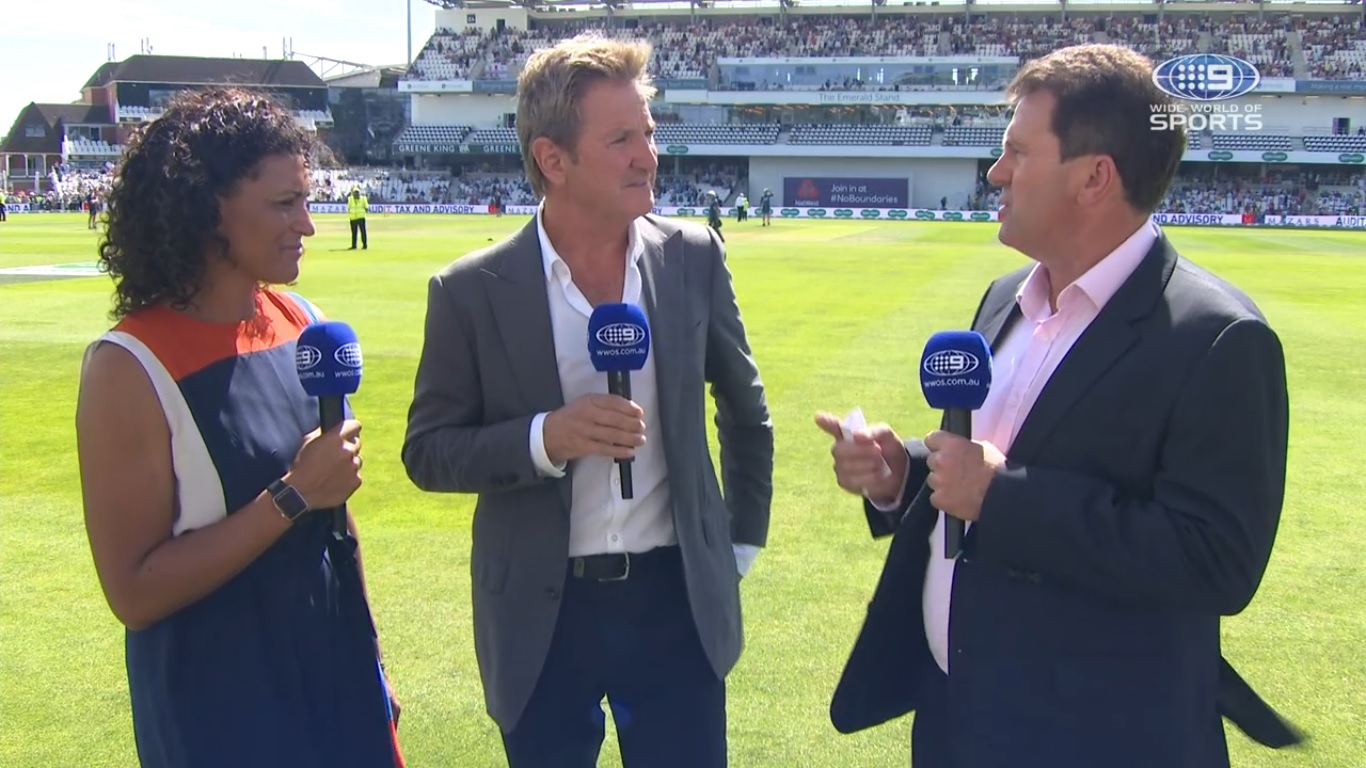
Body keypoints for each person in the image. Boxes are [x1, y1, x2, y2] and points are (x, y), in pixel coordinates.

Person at [814, 44, 1301, 768]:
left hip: (1094, 737)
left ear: (1094, 177)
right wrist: (904, 472)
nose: (995, 172)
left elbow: (1216, 560)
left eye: (1017, 152)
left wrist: (998, 497)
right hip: (956, 717)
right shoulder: (1003, 298)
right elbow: (1001, 458)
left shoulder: (1217, 338)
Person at [402, 33, 773, 768]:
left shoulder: (693, 255)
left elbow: (745, 406)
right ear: (553, 159)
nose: (649, 156)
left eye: (649, 133)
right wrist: (546, 438)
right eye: (622, 139)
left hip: (675, 601)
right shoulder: (470, 290)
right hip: (542, 613)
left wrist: (736, 548)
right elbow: (428, 451)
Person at [76, 87, 403, 768]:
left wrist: (370, 653)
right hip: (219, 702)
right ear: (206, 209)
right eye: (284, 204)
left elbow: (335, 516)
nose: (307, 225)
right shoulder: (129, 365)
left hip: (335, 669)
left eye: (305, 201)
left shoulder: (303, 322)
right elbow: (134, 590)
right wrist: (292, 495)